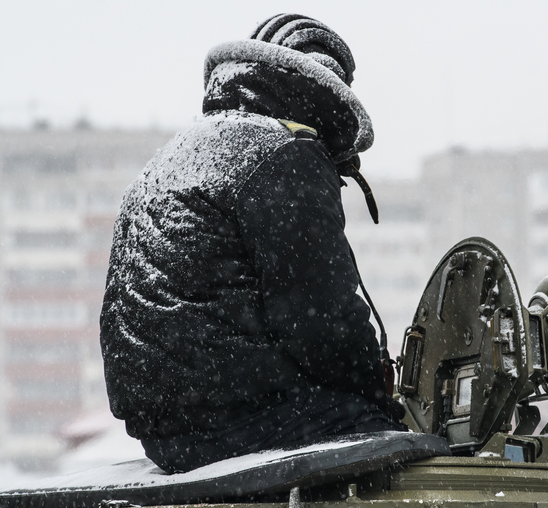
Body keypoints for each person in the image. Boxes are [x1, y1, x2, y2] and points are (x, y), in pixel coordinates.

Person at [100, 13, 405, 474]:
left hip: (164, 434)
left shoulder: (182, 151)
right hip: (244, 420)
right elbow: (320, 320)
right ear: (327, 96)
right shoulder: (283, 152)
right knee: (399, 450)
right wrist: (381, 397)